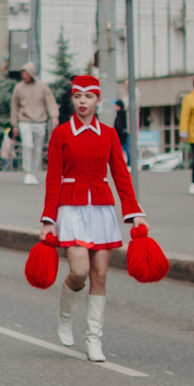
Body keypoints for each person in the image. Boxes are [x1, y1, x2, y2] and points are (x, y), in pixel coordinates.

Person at [39, 72, 145, 364]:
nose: (82, 102)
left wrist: (134, 214)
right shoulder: (61, 133)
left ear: (98, 100)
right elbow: (52, 179)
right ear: (72, 99)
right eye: (77, 96)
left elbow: (121, 176)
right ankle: (65, 315)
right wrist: (48, 219)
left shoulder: (109, 134)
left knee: (100, 275)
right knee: (80, 272)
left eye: (88, 96)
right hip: (71, 209)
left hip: (101, 209)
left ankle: (93, 340)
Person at [11, 65, 53, 186]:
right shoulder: (19, 88)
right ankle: (27, 172)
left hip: (40, 120)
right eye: (23, 74)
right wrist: (14, 124)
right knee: (27, 145)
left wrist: (54, 116)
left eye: (27, 74)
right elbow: (14, 106)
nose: (25, 76)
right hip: (24, 120)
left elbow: (49, 102)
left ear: (32, 73)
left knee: (38, 148)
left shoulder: (42, 87)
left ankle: (34, 172)